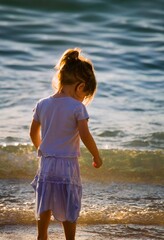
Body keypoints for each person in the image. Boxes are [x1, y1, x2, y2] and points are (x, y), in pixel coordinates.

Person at [29, 48, 102, 240]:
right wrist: (96, 155)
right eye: (85, 94)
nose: (84, 99)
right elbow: (85, 136)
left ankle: (41, 236)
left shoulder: (42, 104)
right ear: (80, 86)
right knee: (69, 204)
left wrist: (41, 148)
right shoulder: (77, 107)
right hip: (67, 165)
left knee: (44, 203)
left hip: (46, 163)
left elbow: (32, 132)